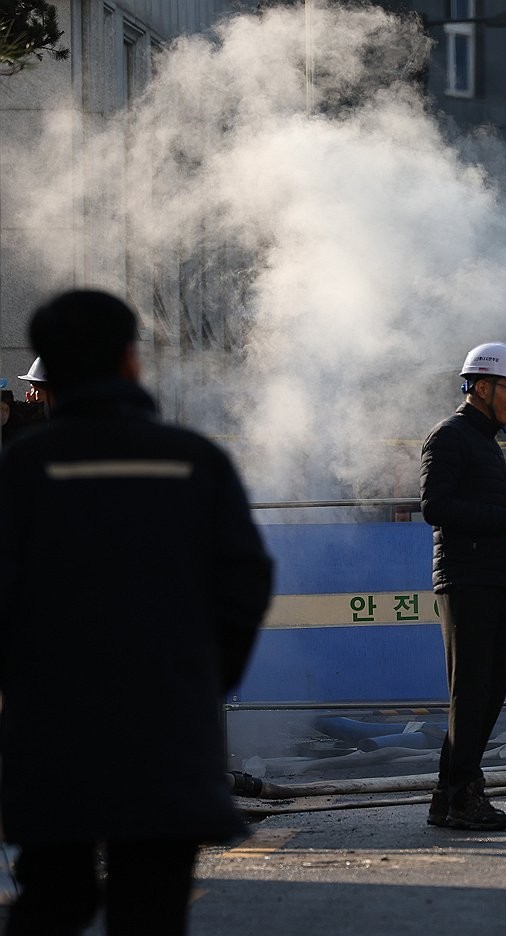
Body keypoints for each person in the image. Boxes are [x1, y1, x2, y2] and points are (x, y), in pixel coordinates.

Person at [0, 289, 274, 935]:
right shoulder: (193, 459)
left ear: (48, 376)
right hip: (168, 732)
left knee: (51, 901)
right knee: (151, 905)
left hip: (50, 735)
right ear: (130, 361)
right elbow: (244, 583)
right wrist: (204, 680)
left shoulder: (22, 469)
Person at [419, 341, 506, 832]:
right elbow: (436, 506)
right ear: (480, 385)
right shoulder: (450, 435)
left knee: (485, 691)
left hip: (492, 578)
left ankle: (447, 794)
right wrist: (504, 515)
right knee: (472, 692)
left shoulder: (483, 440)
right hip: (469, 579)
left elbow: (477, 507)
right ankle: (462, 796)